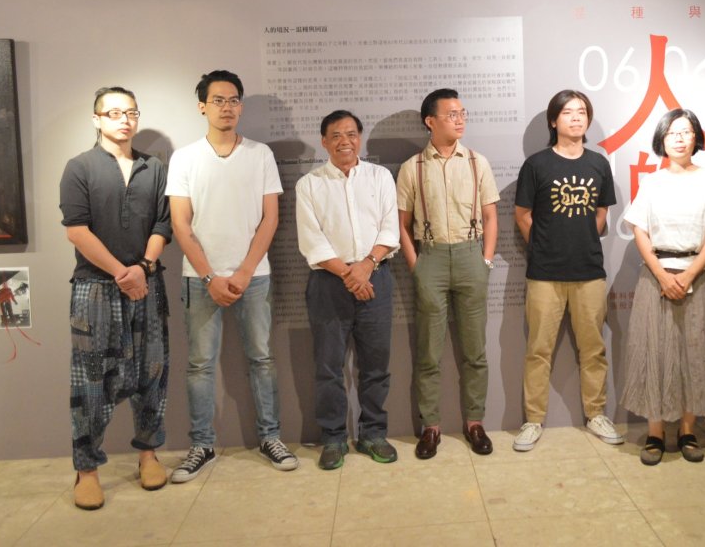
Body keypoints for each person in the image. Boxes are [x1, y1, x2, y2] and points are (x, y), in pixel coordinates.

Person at [166, 70, 297, 482]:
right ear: (202, 106)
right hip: (200, 278)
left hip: (254, 276)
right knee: (200, 365)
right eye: (218, 100)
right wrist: (211, 277)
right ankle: (201, 445)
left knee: (262, 359)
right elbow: (180, 224)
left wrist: (243, 271)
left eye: (233, 100)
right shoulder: (185, 157)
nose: (227, 107)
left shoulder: (260, 154)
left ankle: (271, 437)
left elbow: (270, 218)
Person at [59, 86, 171, 510]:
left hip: (147, 283)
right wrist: (121, 274)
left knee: (152, 372)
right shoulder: (79, 167)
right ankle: (87, 470)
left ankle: (149, 453)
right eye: (114, 113)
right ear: (97, 119)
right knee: (90, 382)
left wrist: (142, 267)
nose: (124, 120)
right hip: (95, 288)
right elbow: (76, 230)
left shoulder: (153, 167)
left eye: (131, 112)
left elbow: (163, 224)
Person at [620, 109, 705, 465]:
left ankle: (688, 430)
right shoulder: (652, 182)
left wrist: (688, 276)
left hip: (702, 278)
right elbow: (639, 229)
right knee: (655, 352)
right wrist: (661, 274)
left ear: (696, 137)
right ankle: (655, 433)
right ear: (662, 139)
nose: (680, 138)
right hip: (657, 277)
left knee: (695, 353)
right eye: (672, 132)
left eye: (686, 132)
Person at [512, 89, 623, 451]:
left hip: (589, 272)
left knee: (593, 350)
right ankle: (533, 420)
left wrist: (583, 239)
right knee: (538, 351)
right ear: (553, 120)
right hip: (544, 274)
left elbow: (602, 212)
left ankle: (596, 414)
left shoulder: (598, 164)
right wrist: (544, 246)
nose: (576, 118)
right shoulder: (537, 165)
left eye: (582, 112)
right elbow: (522, 215)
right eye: (568, 112)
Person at [396, 89, 499, 459]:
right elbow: (402, 224)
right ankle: (431, 427)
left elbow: (490, 217)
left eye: (462, 113)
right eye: (452, 114)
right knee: (428, 352)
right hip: (432, 258)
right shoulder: (412, 167)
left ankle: (475, 423)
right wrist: (417, 266)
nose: (460, 120)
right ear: (431, 121)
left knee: (475, 351)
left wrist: (485, 261)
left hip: (471, 256)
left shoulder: (476, 162)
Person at [296, 110, 400, 470]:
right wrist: (349, 274)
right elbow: (312, 241)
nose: (345, 141)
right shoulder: (309, 184)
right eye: (337, 135)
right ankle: (334, 438)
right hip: (329, 283)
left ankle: (373, 433)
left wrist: (366, 266)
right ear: (324, 142)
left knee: (376, 365)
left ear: (360, 138)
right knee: (328, 367)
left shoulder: (380, 176)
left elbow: (390, 228)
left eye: (352, 134)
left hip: (376, 276)